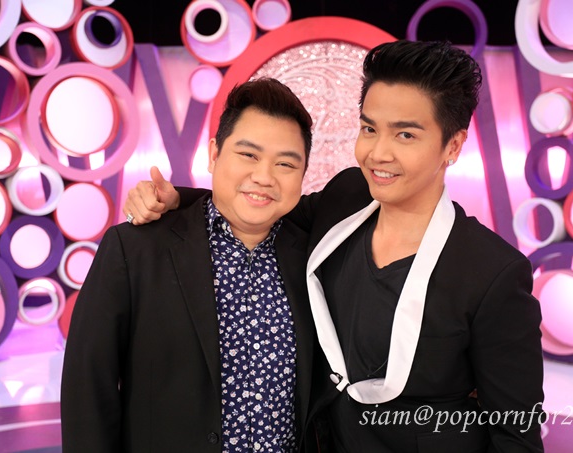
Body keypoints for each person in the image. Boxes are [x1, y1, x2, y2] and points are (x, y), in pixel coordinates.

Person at [124, 40, 545, 452]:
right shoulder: (347, 196)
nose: (378, 153)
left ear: (452, 145)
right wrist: (177, 200)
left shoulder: (492, 272)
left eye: (405, 135)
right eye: (369, 129)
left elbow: (516, 435)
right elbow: (265, 204)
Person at [61, 78, 320, 453]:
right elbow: (88, 387)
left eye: (285, 163)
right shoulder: (135, 249)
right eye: (248, 155)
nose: (264, 177)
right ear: (214, 154)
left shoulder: (315, 257)